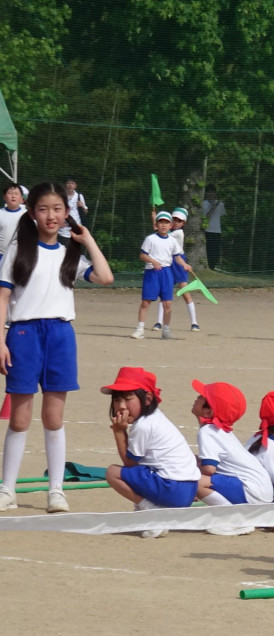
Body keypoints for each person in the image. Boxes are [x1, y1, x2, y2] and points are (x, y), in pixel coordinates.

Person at [0, 181, 114, 512]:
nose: (51, 216)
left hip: (61, 335)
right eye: (43, 209)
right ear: (32, 213)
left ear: (67, 213)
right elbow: (3, 297)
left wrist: (87, 239)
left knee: (54, 417)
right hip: (22, 335)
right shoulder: (17, 252)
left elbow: (106, 277)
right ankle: (7, 489)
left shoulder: (70, 255)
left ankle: (56, 490)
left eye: (58, 209)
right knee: (19, 418)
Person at [103, 366, 201, 536]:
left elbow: (130, 463)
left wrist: (119, 432)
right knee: (140, 473)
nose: (121, 406)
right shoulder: (155, 417)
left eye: (128, 399)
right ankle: (150, 511)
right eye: (117, 400)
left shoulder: (144, 425)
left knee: (113, 473)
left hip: (174, 489)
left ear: (147, 399)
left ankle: (152, 512)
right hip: (188, 489)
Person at [191, 379, 273, 534]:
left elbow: (209, 469)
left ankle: (233, 519)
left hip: (251, 492)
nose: (198, 397)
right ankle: (234, 515)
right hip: (260, 492)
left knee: (193, 480)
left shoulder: (207, 431)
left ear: (208, 412)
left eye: (202, 397)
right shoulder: (221, 431)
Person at [131, 211, 186, 340]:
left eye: (166, 223)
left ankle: (166, 330)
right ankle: (140, 329)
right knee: (146, 302)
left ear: (171, 225)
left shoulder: (173, 241)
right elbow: (143, 255)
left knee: (167, 304)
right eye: (161, 222)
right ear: (156, 224)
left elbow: (177, 256)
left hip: (167, 273)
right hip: (152, 273)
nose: (164, 225)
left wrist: (185, 265)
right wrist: (153, 261)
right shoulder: (150, 239)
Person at [151, 207, 199, 333]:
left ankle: (194, 323)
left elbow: (161, 234)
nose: (176, 222)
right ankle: (159, 322)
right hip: (167, 262)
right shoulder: (168, 232)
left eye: (180, 220)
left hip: (178, 263)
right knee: (164, 294)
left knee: (185, 292)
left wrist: (154, 222)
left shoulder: (178, 233)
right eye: (174, 219)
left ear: (184, 223)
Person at [202, 185, 225, 269]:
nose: (211, 194)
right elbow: (205, 217)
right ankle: (209, 266)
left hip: (217, 231)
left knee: (216, 251)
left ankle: (213, 266)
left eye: (213, 192)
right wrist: (212, 207)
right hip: (208, 230)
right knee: (209, 250)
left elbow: (221, 217)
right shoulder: (204, 204)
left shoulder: (220, 204)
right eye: (209, 192)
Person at [57, 178, 87, 243]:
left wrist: (82, 206)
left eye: (72, 183)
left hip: (76, 228)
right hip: (63, 230)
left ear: (75, 186)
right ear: (65, 185)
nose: (70, 185)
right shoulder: (61, 196)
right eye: (68, 183)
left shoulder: (79, 196)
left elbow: (86, 211)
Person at [0, 183, 25, 259]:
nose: (13, 196)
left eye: (16, 194)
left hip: (19, 255)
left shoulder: (27, 215)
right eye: (10, 193)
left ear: (21, 198)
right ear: (4, 197)